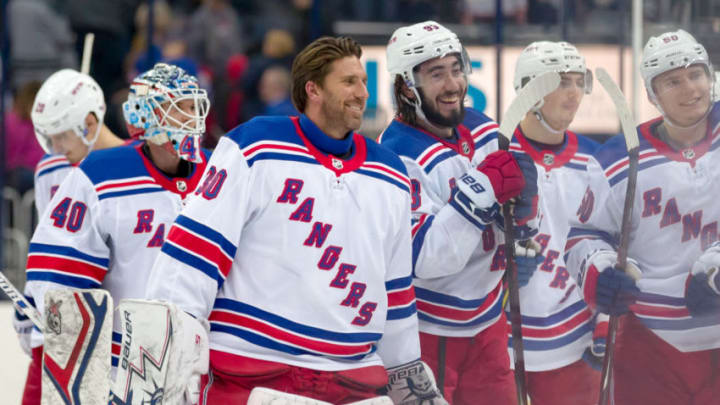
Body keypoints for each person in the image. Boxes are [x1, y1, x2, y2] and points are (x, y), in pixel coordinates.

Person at [143, 36, 446, 404]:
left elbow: (395, 292)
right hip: (253, 373)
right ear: (313, 89)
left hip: (350, 381)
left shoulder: (390, 174)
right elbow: (195, 252)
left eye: (364, 82)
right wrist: (164, 352)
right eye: (349, 82)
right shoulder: (255, 146)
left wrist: (405, 372)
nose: (362, 93)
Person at [20, 63, 211, 405]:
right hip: (127, 366)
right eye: (177, 107)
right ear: (144, 116)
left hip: (206, 363)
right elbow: (61, 271)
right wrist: (67, 342)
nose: (190, 116)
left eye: (192, 106)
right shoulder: (100, 175)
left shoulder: (221, 171)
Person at [380, 21, 540, 405]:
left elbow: (519, 222)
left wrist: (525, 216)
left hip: (488, 323)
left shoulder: (483, 128)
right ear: (406, 86)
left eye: (456, 68)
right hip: (427, 334)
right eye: (437, 74)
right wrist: (482, 191)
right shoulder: (394, 155)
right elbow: (425, 257)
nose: (453, 84)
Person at [565, 29, 720, 404]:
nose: (690, 89)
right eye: (672, 81)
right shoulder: (617, 159)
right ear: (652, 95)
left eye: (696, 74)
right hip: (647, 341)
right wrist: (600, 271)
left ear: (711, 76)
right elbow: (583, 235)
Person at [508, 41, 600, 405]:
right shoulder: (494, 154)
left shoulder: (595, 161)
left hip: (574, 341)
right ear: (530, 90)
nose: (575, 93)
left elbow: (611, 246)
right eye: (563, 82)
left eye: (580, 82)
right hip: (498, 340)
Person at [30, 69, 125, 217]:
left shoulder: (139, 165)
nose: (56, 148)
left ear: (89, 123)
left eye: (62, 136)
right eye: (50, 138)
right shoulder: (49, 169)